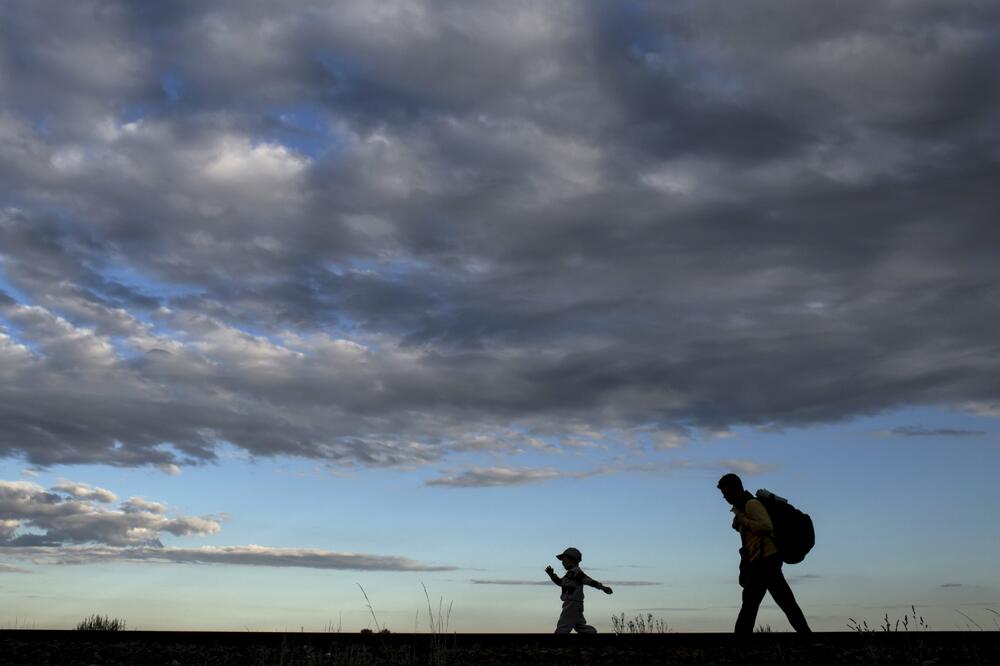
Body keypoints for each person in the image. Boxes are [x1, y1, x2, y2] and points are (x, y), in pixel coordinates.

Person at [717, 473, 811, 634]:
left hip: (766, 560)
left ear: (737, 489)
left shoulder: (752, 505)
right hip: (763, 561)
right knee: (784, 602)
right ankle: (807, 636)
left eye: (727, 493)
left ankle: (739, 642)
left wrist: (744, 521)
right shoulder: (742, 508)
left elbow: (767, 526)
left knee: (750, 602)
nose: (725, 497)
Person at [545, 546, 613, 634]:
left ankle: (557, 643)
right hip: (575, 603)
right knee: (579, 626)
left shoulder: (576, 573)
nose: (563, 563)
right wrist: (552, 575)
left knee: (563, 625)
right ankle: (591, 633)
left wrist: (602, 587)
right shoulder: (570, 574)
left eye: (564, 561)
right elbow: (561, 583)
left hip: (572, 604)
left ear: (572, 560)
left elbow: (589, 581)